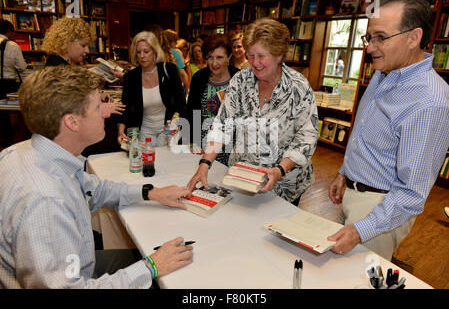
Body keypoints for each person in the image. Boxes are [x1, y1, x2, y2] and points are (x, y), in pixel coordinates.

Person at [0, 65, 193, 288]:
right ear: (72, 122)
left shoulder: (26, 152)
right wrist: (150, 267)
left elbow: (94, 190)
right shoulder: (45, 200)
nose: (107, 112)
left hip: (77, 265)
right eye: (98, 107)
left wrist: (150, 192)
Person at [327, 0, 449, 261]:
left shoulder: (429, 101)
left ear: (414, 37)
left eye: (381, 37)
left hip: (381, 211)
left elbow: (412, 192)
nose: (370, 47)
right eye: (369, 37)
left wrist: (361, 230)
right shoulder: (385, 72)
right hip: (353, 190)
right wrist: (344, 172)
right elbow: (365, 133)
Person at [187, 18, 318, 206]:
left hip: (284, 184)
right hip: (242, 178)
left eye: (261, 56)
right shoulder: (240, 81)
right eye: (251, 56)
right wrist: (204, 164)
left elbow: (306, 137)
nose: (255, 63)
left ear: (279, 54)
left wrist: (279, 170)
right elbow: (222, 124)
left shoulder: (298, 87)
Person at [42, 17, 124, 116]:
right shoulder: (57, 69)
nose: (87, 51)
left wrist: (96, 96)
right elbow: (67, 107)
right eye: (83, 45)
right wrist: (102, 108)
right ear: (67, 42)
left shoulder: (59, 64)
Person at [117, 31, 185, 147]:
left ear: (154, 51)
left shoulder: (169, 70)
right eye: (138, 52)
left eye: (146, 51)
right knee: (146, 162)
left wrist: (175, 119)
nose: (142, 56)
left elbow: (180, 101)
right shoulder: (131, 77)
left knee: (165, 162)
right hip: (144, 130)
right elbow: (125, 107)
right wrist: (120, 132)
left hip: (168, 129)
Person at [185, 34, 239, 166]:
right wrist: (193, 141)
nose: (214, 63)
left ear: (229, 57)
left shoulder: (239, 77)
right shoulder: (199, 77)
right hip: (204, 143)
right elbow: (192, 111)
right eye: (210, 57)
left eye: (220, 57)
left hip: (233, 144)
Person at [0, 19, 26, 98]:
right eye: (13, 31)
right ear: (8, 31)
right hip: (8, 84)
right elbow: (21, 67)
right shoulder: (13, 46)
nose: (14, 34)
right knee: (8, 108)